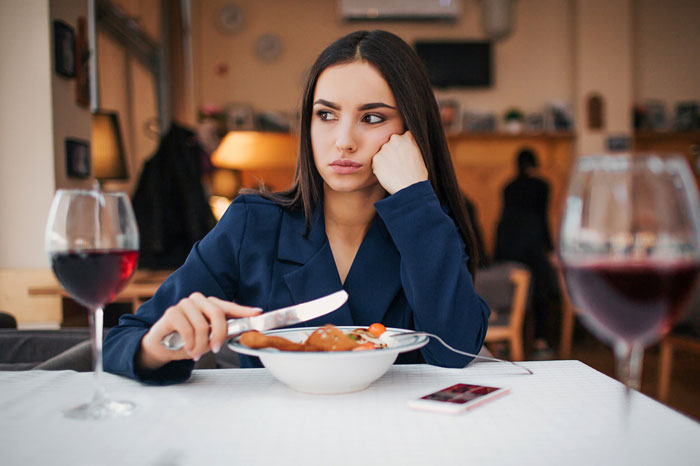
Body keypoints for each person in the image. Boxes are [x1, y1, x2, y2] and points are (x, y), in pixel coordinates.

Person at [103, 30, 490, 384]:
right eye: (326, 115)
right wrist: (161, 344)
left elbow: (453, 352)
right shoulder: (251, 225)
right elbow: (124, 339)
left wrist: (414, 198)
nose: (343, 141)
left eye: (371, 118)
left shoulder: (428, 227)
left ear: (410, 130)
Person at [494, 148, 561, 358]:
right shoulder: (542, 186)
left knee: (512, 288)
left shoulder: (508, 187)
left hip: (505, 242)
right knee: (541, 286)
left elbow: (504, 216)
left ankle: (506, 340)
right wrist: (550, 249)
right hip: (531, 241)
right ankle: (540, 341)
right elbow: (542, 219)